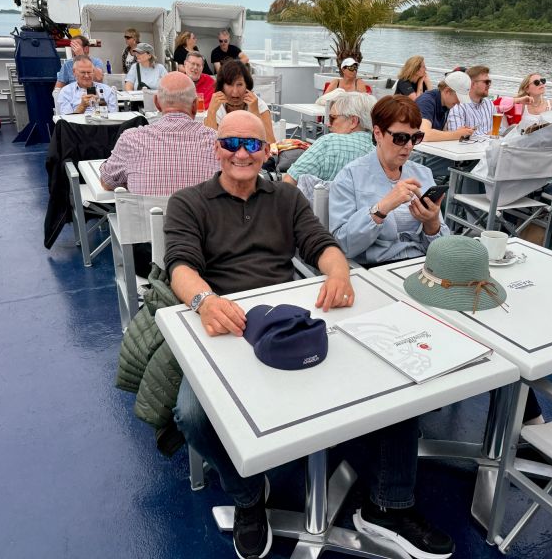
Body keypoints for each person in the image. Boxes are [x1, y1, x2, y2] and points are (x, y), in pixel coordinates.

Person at [166, 109, 455, 559]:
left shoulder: (285, 197)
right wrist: (205, 301)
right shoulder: (188, 202)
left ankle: (388, 504)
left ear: (267, 151)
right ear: (216, 147)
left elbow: (322, 244)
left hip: (288, 314)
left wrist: (338, 274)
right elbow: (180, 265)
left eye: (252, 144)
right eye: (231, 143)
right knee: (191, 415)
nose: (241, 153)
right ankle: (248, 495)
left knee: (394, 369)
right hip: (222, 319)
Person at [100, 72, 217, 276]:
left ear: (156, 103)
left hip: (150, 261)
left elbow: (107, 182)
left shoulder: (132, 139)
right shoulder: (216, 141)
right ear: (194, 105)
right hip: (206, 255)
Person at [329, 95, 449, 267]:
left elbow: (442, 248)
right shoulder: (350, 176)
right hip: (376, 268)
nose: (409, 145)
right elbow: (343, 244)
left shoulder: (423, 174)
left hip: (421, 263)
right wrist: (381, 209)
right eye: (400, 138)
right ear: (378, 133)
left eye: (415, 138)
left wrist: (432, 223)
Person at [282, 92, 375, 185]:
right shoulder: (378, 150)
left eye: (332, 118)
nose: (328, 124)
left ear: (353, 121)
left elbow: (289, 181)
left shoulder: (329, 143)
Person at [204, 60, 275, 143]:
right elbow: (208, 144)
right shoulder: (217, 104)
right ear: (222, 86)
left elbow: (271, 143)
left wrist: (255, 113)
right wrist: (211, 112)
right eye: (229, 84)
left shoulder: (257, 104)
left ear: (247, 85)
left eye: (239, 84)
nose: (235, 91)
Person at [416, 70, 474, 142]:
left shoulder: (445, 103)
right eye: (458, 98)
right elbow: (424, 134)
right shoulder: (426, 102)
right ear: (447, 91)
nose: (459, 103)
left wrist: (459, 132)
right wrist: (457, 134)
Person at [446, 65, 494, 135]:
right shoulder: (458, 107)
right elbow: (457, 137)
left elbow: (498, 130)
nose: (489, 85)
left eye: (489, 82)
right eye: (486, 82)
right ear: (472, 84)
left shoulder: (489, 104)